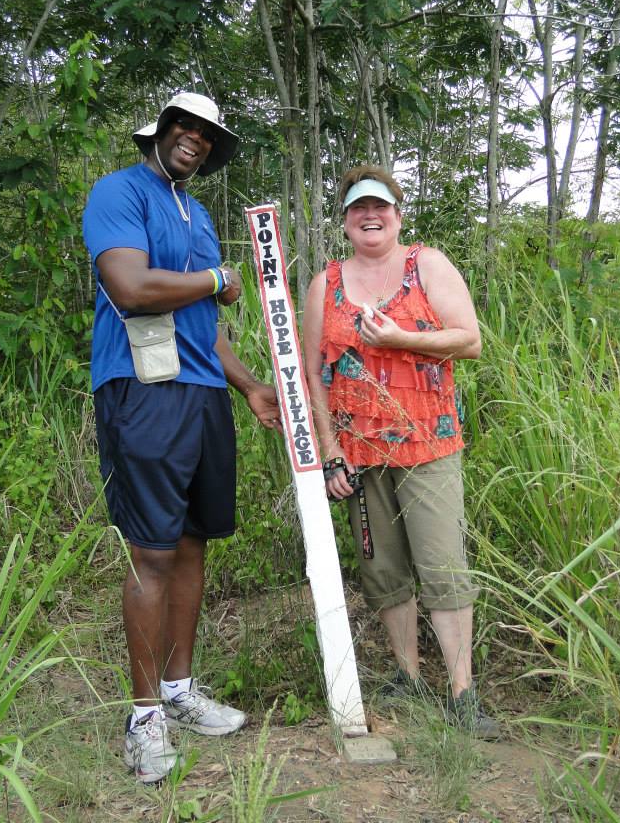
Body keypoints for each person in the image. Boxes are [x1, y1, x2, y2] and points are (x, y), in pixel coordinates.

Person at [83, 91, 282, 784]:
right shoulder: (119, 192)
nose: (192, 140)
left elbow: (206, 321)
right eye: (182, 128)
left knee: (193, 541)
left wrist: (249, 384)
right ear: (159, 131)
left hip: (201, 395)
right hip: (142, 390)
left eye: (205, 135)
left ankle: (179, 689)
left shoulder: (195, 214)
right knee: (153, 553)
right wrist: (213, 277)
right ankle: (143, 718)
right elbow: (132, 286)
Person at [303, 165, 500, 738]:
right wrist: (332, 451)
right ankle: (407, 676)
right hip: (360, 456)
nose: (371, 216)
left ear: (397, 213)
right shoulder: (327, 284)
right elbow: (315, 375)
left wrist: (399, 339)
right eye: (359, 208)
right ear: (344, 221)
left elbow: (469, 340)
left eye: (381, 206)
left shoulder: (426, 265)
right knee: (383, 568)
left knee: (442, 562)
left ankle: (462, 690)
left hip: (429, 443)